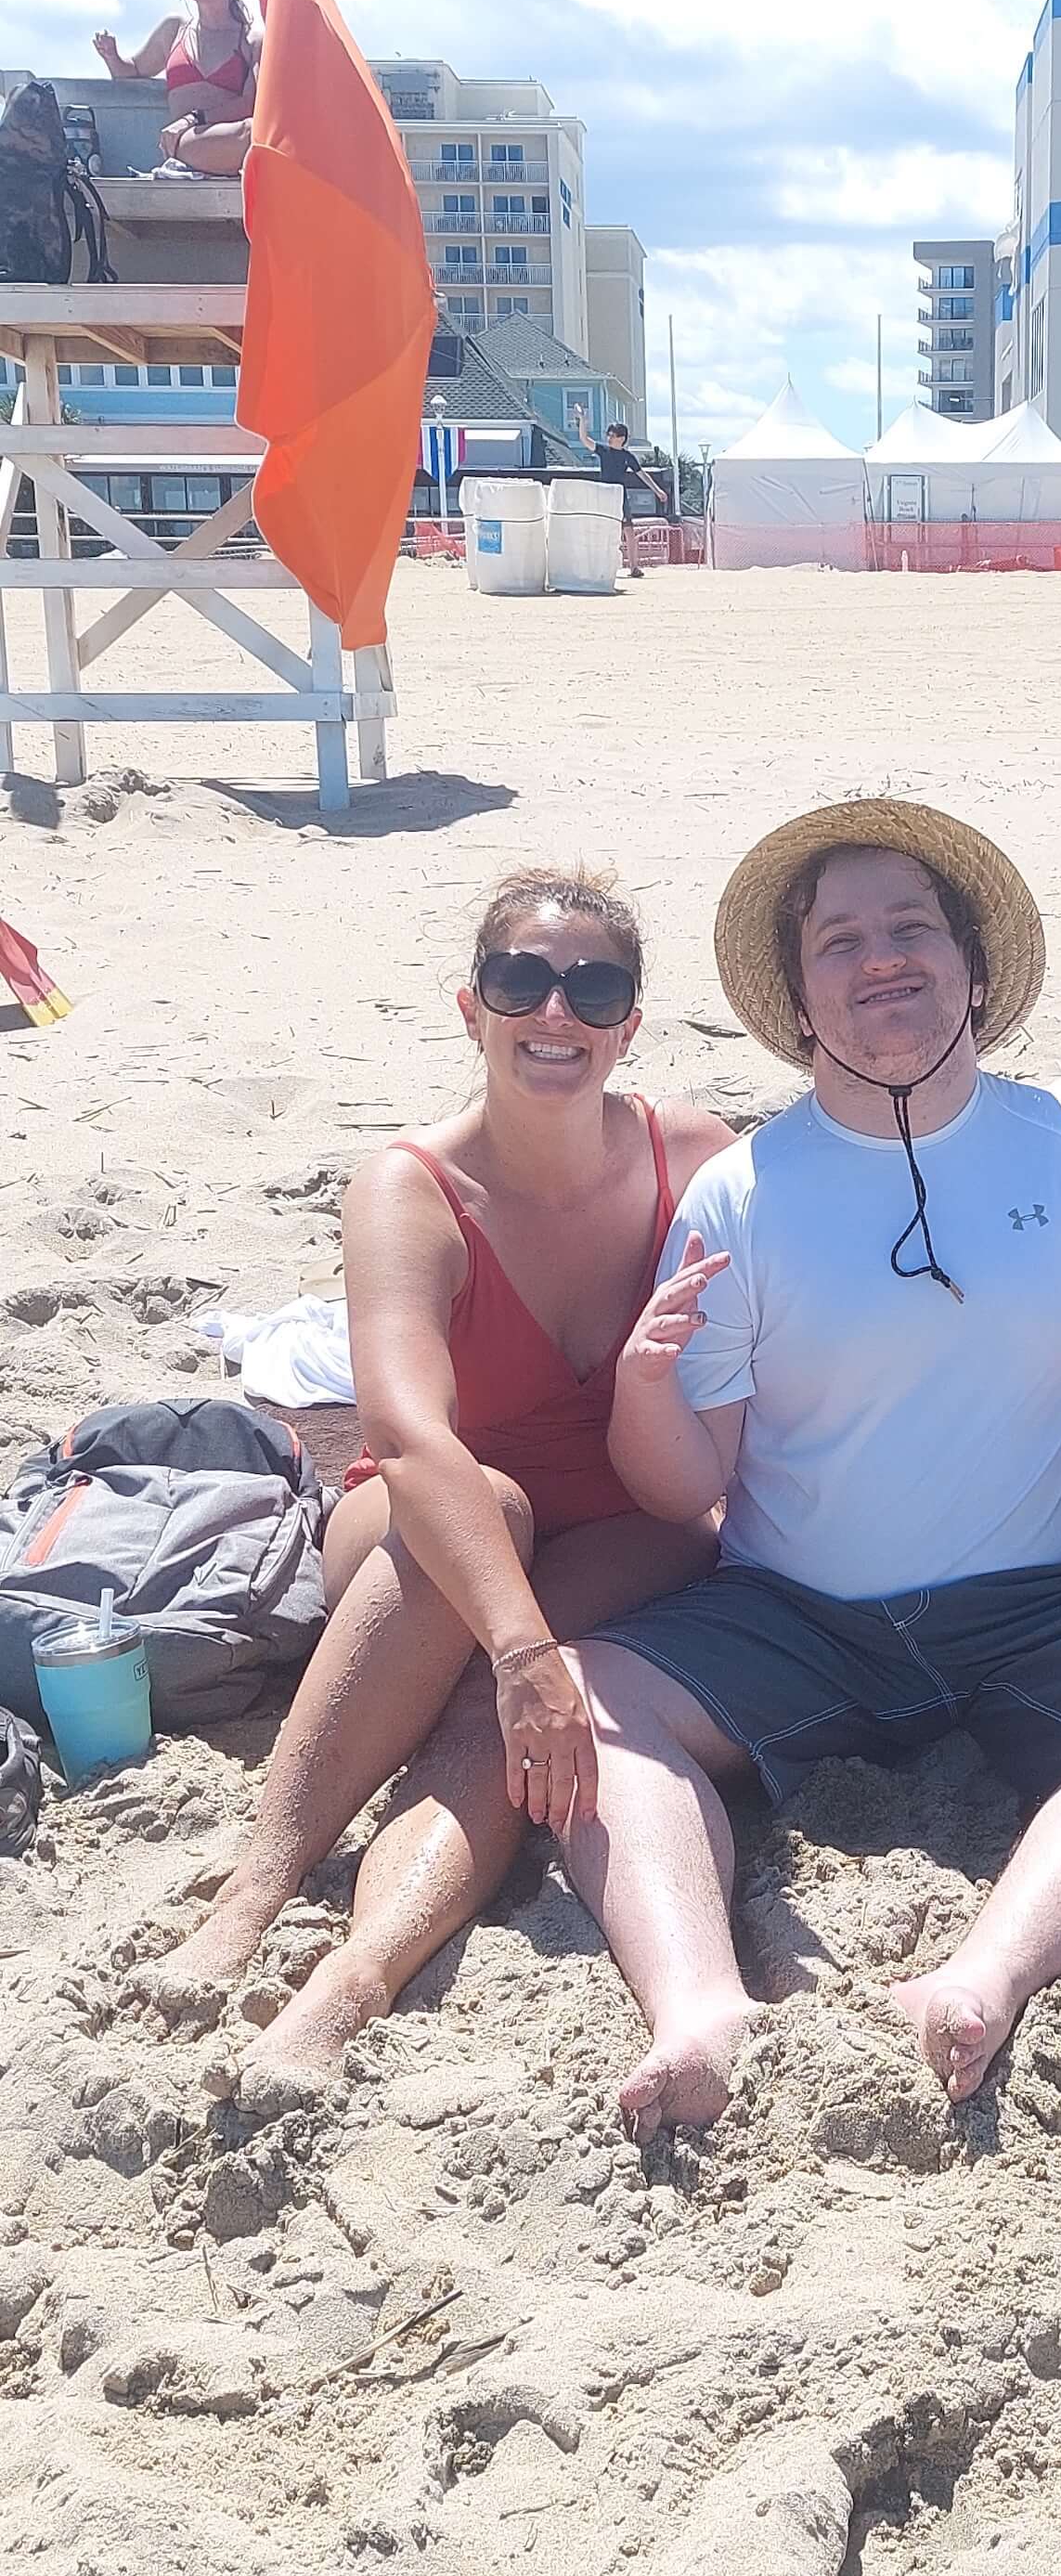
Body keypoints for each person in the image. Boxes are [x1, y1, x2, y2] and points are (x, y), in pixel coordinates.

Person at [551, 796, 1061, 2141]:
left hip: (1054, 1598)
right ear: (799, 998)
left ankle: (986, 1973)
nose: (880, 957)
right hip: (800, 1613)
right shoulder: (743, 1193)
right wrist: (647, 1386)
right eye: (839, 940)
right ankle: (699, 2006)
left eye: (911, 928)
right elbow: (683, 1487)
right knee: (589, 1697)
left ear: (974, 969)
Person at [154, 868, 734, 2105]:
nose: (556, 1011)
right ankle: (258, 1884)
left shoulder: (694, 1156)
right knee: (494, 1531)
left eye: (594, 989)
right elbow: (409, 1437)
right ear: (473, 1009)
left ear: (629, 1025)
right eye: (522, 980)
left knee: (541, 1669)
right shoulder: (409, 1187)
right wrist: (520, 1646)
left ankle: (353, 1978)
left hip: (620, 1517)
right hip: (419, 1511)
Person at [94, 0, 258, 174]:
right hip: (187, 142)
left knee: (256, 132)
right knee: (252, 135)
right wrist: (111, 56)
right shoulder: (174, 30)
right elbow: (131, 71)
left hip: (231, 136)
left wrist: (193, 117)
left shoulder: (251, 39)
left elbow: (252, 103)